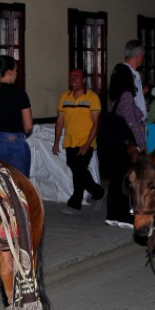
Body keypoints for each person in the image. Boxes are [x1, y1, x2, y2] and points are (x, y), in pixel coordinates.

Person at [99, 63, 146, 228]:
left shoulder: (112, 96)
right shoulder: (126, 95)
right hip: (126, 144)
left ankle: (113, 214)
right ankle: (124, 216)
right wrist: (140, 142)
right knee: (127, 180)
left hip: (112, 144)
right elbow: (131, 122)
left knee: (116, 180)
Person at [54, 68, 106, 215]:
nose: (73, 80)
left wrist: (87, 144)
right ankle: (99, 192)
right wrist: (56, 142)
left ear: (83, 80)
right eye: (71, 77)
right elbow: (60, 122)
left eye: (77, 77)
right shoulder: (64, 97)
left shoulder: (92, 97)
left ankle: (75, 204)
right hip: (70, 142)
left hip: (86, 142)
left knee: (79, 172)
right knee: (77, 169)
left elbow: (96, 123)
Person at [0, 55, 33, 177]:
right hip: (13, 142)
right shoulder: (19, 94)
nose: (16, 74)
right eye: (15, 70)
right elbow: (28, 126)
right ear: (9, 72)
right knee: (19, 185)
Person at [123, 39, 147, 121]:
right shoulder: (125, 75)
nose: (142, 59)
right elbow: (127, 106)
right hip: (131, 124)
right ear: (138, 56)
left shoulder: (133, 74)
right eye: (143, 56)